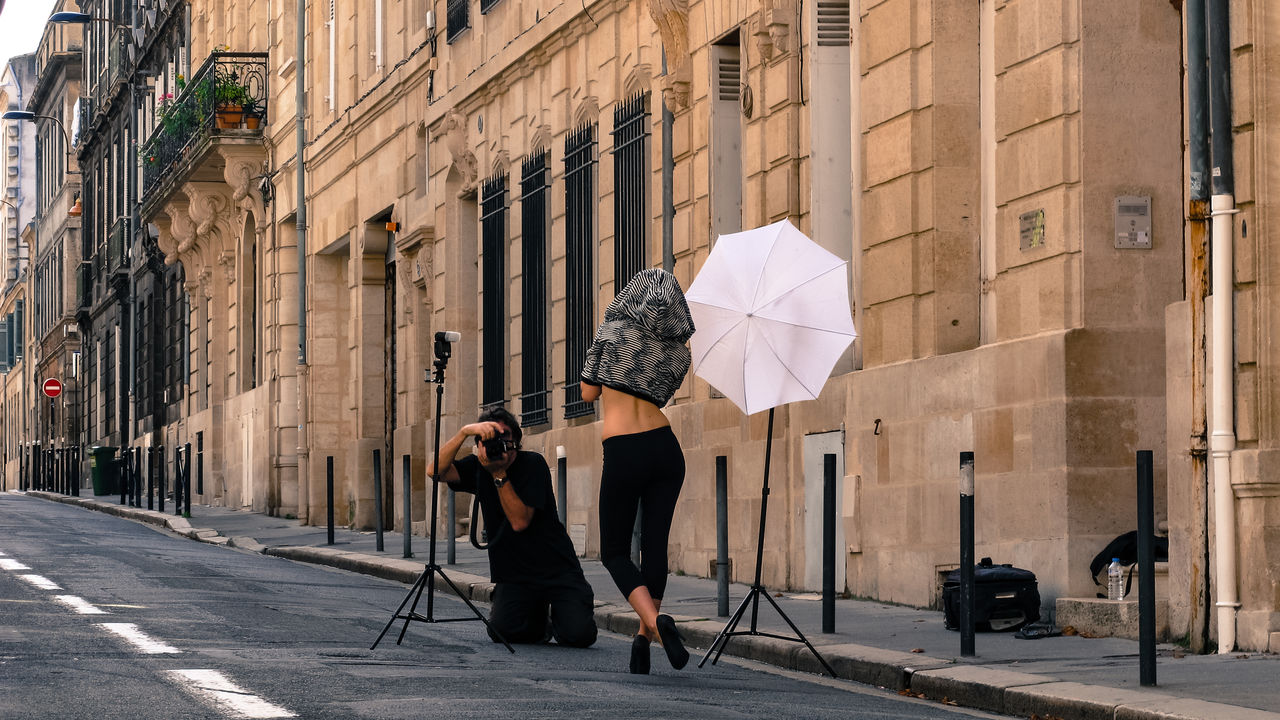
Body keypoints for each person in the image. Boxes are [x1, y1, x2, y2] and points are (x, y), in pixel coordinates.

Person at [580, 267, 696, 674]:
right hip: (665, 448)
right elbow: (660, 393)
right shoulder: (678, 349)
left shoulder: (612, 329)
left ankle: (657, 625)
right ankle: (643, 641)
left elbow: (587, 392)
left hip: (624, 448)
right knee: (654, 546)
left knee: (613, 550)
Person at [429, 406, 597, 648]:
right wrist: (464, 432)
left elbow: (520, 522)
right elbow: (434, 472)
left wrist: (498, 474)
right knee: (503, 632)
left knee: (578, 636)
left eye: (503, 436)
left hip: (556, 569)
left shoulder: (532, 464)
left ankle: (567, 609)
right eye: (489, 437)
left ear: (516, 440)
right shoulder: (479, 465)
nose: (498, 443)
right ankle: (539, 620)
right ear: (479, 444)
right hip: (515, 576)